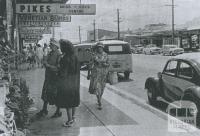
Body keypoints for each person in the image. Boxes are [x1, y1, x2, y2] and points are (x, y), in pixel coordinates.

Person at [56, 39, 80, 127]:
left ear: (65, 48)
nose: (60, 48)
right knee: (74, 101)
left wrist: (58, 70)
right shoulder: (75, 56)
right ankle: (73, 118)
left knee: (68, 102)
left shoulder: (65, 58)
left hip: (67, 83)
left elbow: (63, 73)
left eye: (61, 46)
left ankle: (69, 121)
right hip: (75, 82)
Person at [37, 38, 62, 118]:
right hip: (48, 77)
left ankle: (58, 111)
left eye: (51, 44)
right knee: (45, 93)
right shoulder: (50, 53)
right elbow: (45, 60)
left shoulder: (59, 54)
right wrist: (45, 62)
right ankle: (44, 109)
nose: (50, 46)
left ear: (55, 46)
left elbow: (59, 67)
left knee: (56, 95)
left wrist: (48, 66)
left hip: (54, 78)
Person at [87, 42, 109, 110]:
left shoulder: (106, 55)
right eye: (98, 47)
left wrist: (106, 65)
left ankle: (99, 98)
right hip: (95, 73)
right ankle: (99, 102)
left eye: (101, 47)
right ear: (97, 48)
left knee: (102, 88)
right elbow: (90, 65)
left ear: (102, 48)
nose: (100, 48)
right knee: (97, 88)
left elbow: (108, 63)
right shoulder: (94, 55)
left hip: (103, 74)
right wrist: (88, 74)